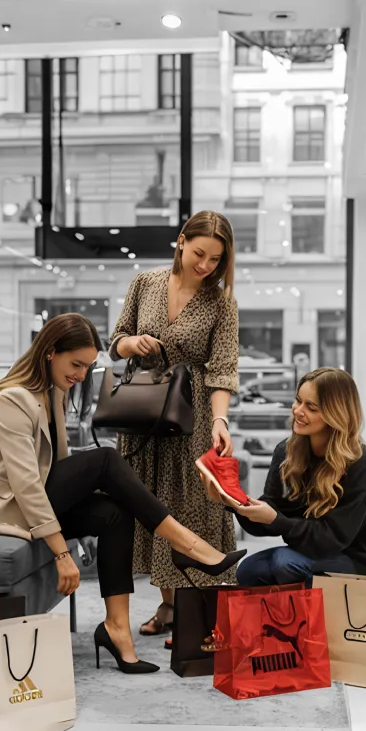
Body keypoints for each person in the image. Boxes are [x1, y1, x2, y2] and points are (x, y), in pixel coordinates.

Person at [0, 313, 244, 675]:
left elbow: (58, 465)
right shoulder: (12, 399)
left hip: (29, 500)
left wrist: (80, 517)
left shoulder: (52, 391)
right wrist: (61, 551)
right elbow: (26, 485)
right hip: (0, 509)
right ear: (49, 352)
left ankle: (117, 628)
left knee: (113, 511)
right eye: (76, 364)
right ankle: (188, 544)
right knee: (106, 458)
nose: (82, 375)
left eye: (88, 367)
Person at [110, 210, 240, 642]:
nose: (205, 266)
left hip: (193, 415)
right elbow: (116, 341)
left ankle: (193, 608)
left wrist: (220, 420)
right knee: (149, 505)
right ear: (181, 241)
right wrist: (133, 343)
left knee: (189, 506)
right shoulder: (144, 284)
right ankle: (168, 605)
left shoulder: (222, 303)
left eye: (215, 260)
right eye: (199, 253)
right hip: (143, 411)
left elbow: (222, 370)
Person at [205, 367, 366, 586]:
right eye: (298, 401)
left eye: (311, 407)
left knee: (285, 564)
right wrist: (233, 501)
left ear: (336, 414)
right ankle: (288, 616)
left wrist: (277, 521)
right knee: (248, 570)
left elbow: (331, 539)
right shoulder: (286, 452)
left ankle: (306, 618)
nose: (297, 411)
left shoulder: (359, 462)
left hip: (359, 558)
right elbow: (268, 514)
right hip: (310, 550)